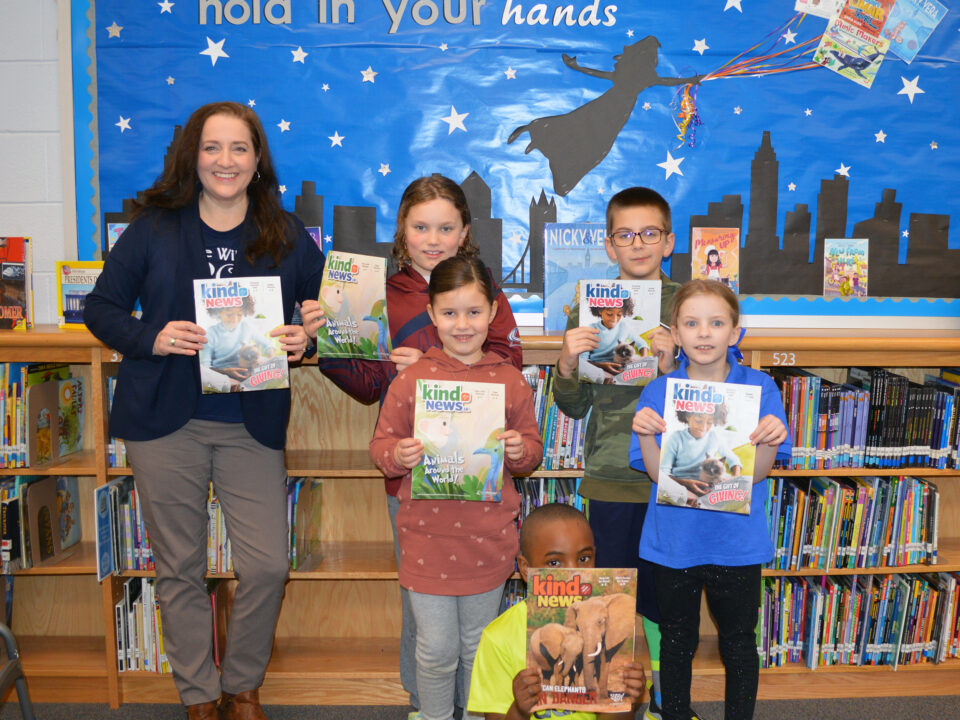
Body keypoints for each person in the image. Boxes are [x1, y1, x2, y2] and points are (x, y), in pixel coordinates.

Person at [84, 101, 325, 720]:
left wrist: (307, 339)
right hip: (165, 421)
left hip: (251, 425)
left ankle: (242, 684)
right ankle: (199, 695)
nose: (225, 161)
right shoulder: (154, 227)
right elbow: (102, 308)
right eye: (212, 147)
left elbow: (328, 315)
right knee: (180, 570)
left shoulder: (288, 233)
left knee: (268, 565)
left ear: (256, 159)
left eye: (239, 148)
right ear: (194, 156)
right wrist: (153, 336)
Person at [321, 174, 523, 713]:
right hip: (416, 482)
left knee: (474, 621)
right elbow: (363, 382)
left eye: (445, 227)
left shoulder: (487, 291)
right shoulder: (379, 292)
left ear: (465, 232)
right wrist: (344, 344)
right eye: (420, 227)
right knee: (425, 610)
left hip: (478, 481)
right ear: (402, 231)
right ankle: (424, 702)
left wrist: (442, 360)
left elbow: (510, 365)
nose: (433, 238)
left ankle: (471, 703)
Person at [369, 256, 543, 720]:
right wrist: (398, 456)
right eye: (449, 313)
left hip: (487, 542)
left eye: (473, 312)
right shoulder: (411, 380)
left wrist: (517, 449)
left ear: (492, 312)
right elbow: (380, 447)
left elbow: (533, 453)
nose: (462, 325)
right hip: (426, 539)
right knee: (434, 649)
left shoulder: (509, 381)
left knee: (475, 647)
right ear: (431, 315)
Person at [630, 280, 791, 720]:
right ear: (676, 334)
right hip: (674, 543)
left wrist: (771, 442)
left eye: (716, 323)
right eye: (692, 323)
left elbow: (754, 474)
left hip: (736, 545)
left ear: (735, 332)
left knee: (739, 642)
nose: (704, 333)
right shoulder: (658, 392)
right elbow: (653, 471)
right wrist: (646, 433)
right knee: (676, 640)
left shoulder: (760, 389)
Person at [551, 187, 679, 720]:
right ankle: (614, 703)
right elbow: (574, 406)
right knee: (612, 600)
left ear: (668, 241)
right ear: (609, 246)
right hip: (609, 474)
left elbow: (712, 397)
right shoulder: (588, 302)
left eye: (650, 233)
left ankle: (670, 701)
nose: (639, 244)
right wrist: (566, 360)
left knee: (666, 598)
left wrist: (673, 366)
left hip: (671, 475)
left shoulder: (687, 304)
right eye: (626, 235)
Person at [467, 503, 647, 720]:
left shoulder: (603, 623)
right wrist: (520, 709)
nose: (573, 572)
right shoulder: (497, 637)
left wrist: (624, 698)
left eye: (583, 558)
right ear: (525, 568)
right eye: (554, 562)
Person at [656, 402, 742, 508]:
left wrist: (735, 479)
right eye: (698, 421)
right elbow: (663, 473)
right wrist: (685, 483)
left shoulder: (714, 437)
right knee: (662, 485)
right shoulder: (676, 437)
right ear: (688, 416)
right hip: (680, 487)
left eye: (709, 422)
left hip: (707, 486)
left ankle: (699, 501)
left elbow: (734, 460)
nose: (703, 427)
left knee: (746, 482)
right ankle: (691, 500)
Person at [199, 294, 277, 391]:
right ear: (219, 312)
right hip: (223, 375)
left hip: (248, 370)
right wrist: (225, 372)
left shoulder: (246, 327)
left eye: (239, 314)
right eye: (229, 314)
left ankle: (248, 385)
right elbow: (205, 367)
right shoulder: (211, 333)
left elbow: (267, 344)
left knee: (279, 364)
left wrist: (269, 360)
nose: (235, 320)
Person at [585, 296, 650, 375]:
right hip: (598, 369)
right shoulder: (591, 329)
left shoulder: (623, 326)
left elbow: (642, 343)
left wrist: (644, 358)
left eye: (619, 314)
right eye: (609, 314)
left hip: (621, 366)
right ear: (600, 311)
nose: (614, 319)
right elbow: (583, 360)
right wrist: (601, 366)